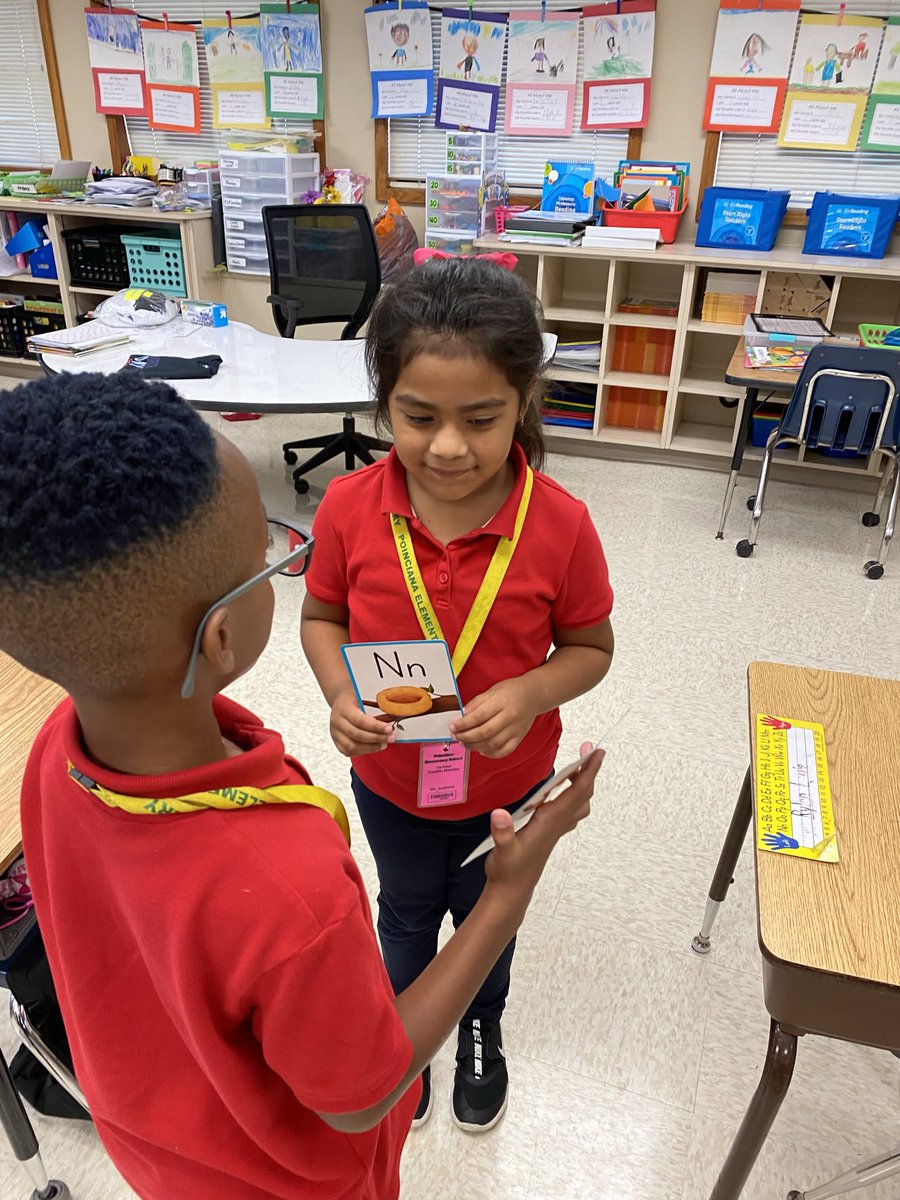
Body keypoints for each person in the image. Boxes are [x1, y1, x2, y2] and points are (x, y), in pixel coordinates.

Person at [0, 370, 604, 1200]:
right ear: (220, 635)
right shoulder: (289, 889)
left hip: (166, 1156)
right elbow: (361, 1100)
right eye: (266, 557)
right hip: (296, 1181)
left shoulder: (52, 754)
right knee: (410, 918)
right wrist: (507, 893)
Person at [301, 258, 614, 1134]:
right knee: (401, 911)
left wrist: (533, 686)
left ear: (523, 403)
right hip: (393, 781)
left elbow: (592, 647)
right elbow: (322, 616)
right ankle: (401, 1035)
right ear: (383, 406)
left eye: (480, 419)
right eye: (417, 416)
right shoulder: (349, 507)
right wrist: (337, 695)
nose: (447, 446)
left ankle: (477, 1019)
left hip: (507, 787)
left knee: (486, 918)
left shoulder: (560, 523)